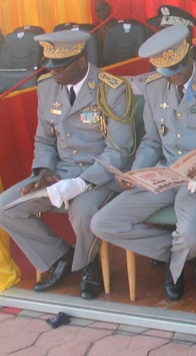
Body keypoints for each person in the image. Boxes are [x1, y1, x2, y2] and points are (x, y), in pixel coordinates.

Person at [91, 25, 196, 301]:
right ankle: (176, 256)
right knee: (103, 222)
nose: (174, 77)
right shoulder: (155, 87)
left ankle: (180, 258)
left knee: (190, 235)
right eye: (167, 71)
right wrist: (136, 173)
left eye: (178, 68)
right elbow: (152, 142)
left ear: (190, 53)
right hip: (166, 176)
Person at [0, 30, 135, 300]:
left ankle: (89, 265)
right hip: (59, 173)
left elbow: (120, 150)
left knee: (83, 211)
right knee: (6, 207)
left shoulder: (112, 88)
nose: (55, 73)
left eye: (60, 67)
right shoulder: (47, 86)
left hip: (100, 175)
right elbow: (44, 140)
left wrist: (81, 183)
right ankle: (63, 256)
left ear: (82, 61)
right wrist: (44, 170)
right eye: (50, 67)